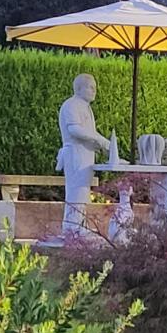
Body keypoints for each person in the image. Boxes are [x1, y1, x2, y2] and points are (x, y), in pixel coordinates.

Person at [56, 74, 110, 236]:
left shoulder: (84, 106)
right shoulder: (71, 105)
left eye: (95, 87)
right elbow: (75, 129)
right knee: (76, 192)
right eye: (90, 87)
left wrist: (101, 143)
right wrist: (99, 139)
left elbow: (88, 132)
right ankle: (72, 229)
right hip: (75, 154)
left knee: (82, 192)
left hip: (85, 156)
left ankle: (78, 226)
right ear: (79, 88)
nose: (94, 91)